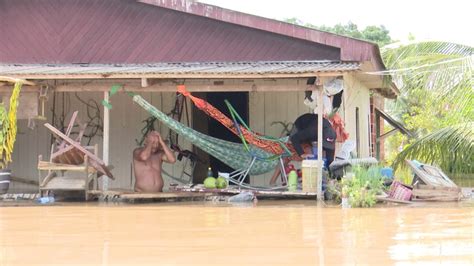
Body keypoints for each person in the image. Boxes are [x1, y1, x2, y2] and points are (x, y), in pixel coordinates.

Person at [269, 113, 336, 186]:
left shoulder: (331, 137)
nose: (326, 147)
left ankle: (314, 182)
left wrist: (331, 179)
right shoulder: (312, 131)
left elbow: (330, 161)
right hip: (301, 125)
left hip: (314, 130)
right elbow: (295, 139)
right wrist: (301, 154)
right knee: (288, 153)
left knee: (314, 155)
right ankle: (272, 181)